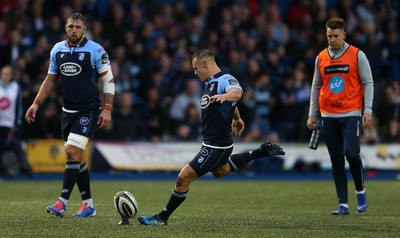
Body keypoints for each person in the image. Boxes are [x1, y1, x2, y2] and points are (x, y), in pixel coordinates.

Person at [137, 49, 285, 226]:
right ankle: (259, 151)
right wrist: (237, 118)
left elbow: (237, 93)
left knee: (183, 178)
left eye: (196, 68)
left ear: (205, 64)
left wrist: (225, 96)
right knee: (220, 171)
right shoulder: (210, 82)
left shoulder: (225, 79)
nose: (194, 72)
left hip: (216, 146)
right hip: (214, 143)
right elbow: (233, 103)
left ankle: (162, 218)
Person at [24, 13, 115, 217]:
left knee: (71, 151)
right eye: (71, 26)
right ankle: (88, 205)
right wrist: (36, 103)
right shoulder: (58, 49)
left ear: (85, 29)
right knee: (78, 156)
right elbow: (50, 80)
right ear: (66, 28)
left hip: (88, 110)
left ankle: (62, 202)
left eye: (78, 27)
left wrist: (107, 109)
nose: (74, 30)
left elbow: (109, 81)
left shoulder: (96, 50)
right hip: (67, 111)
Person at [306, 18, 374, 215]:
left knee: (351, 154)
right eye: (329, 36)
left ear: (344, 34)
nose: (332, 40)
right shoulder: (321, 57)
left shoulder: (357, 55)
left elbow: (368, 82)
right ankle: (343, 204)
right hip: (328, 114)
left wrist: (367, 111)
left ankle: (360, 190)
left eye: (336, 36)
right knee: (335, 159)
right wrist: (312, 113)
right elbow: (316, 86)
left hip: (351, 112)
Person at [0, 65, 32, 177]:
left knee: (15, 145)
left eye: (8, 74)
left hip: (9, 124)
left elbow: (19, 107)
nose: (6, 76)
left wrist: (17, 123)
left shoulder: (15, 87)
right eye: (4, 74)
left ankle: (24, 167)